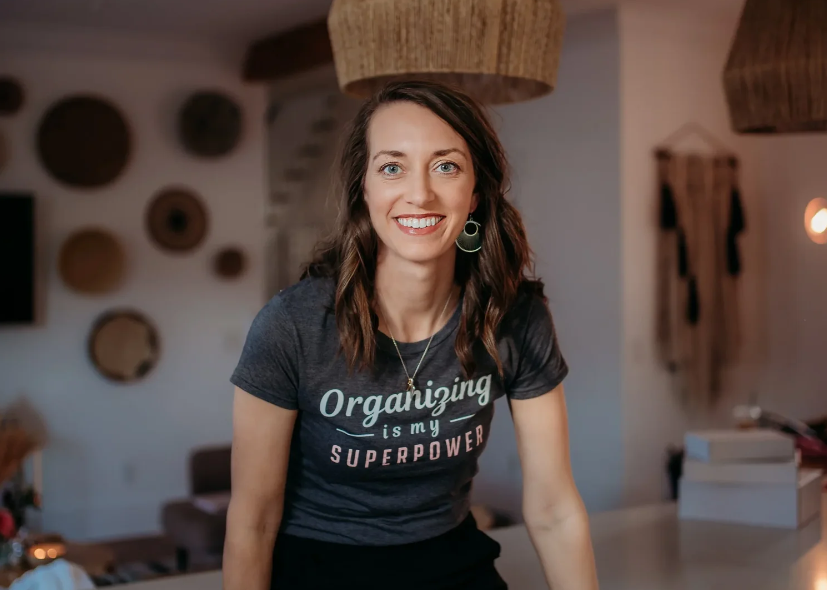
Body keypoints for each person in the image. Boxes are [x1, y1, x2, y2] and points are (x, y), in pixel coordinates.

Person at [223, 80, 599, 590]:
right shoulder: (293, 326)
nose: (419, 193)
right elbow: (252, 521)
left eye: (446, 166)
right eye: (392, 167)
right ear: (366, 188)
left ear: (476, 193)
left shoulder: (513, 318)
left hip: (452, 563)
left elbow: (554, 509)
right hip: (320, 570)